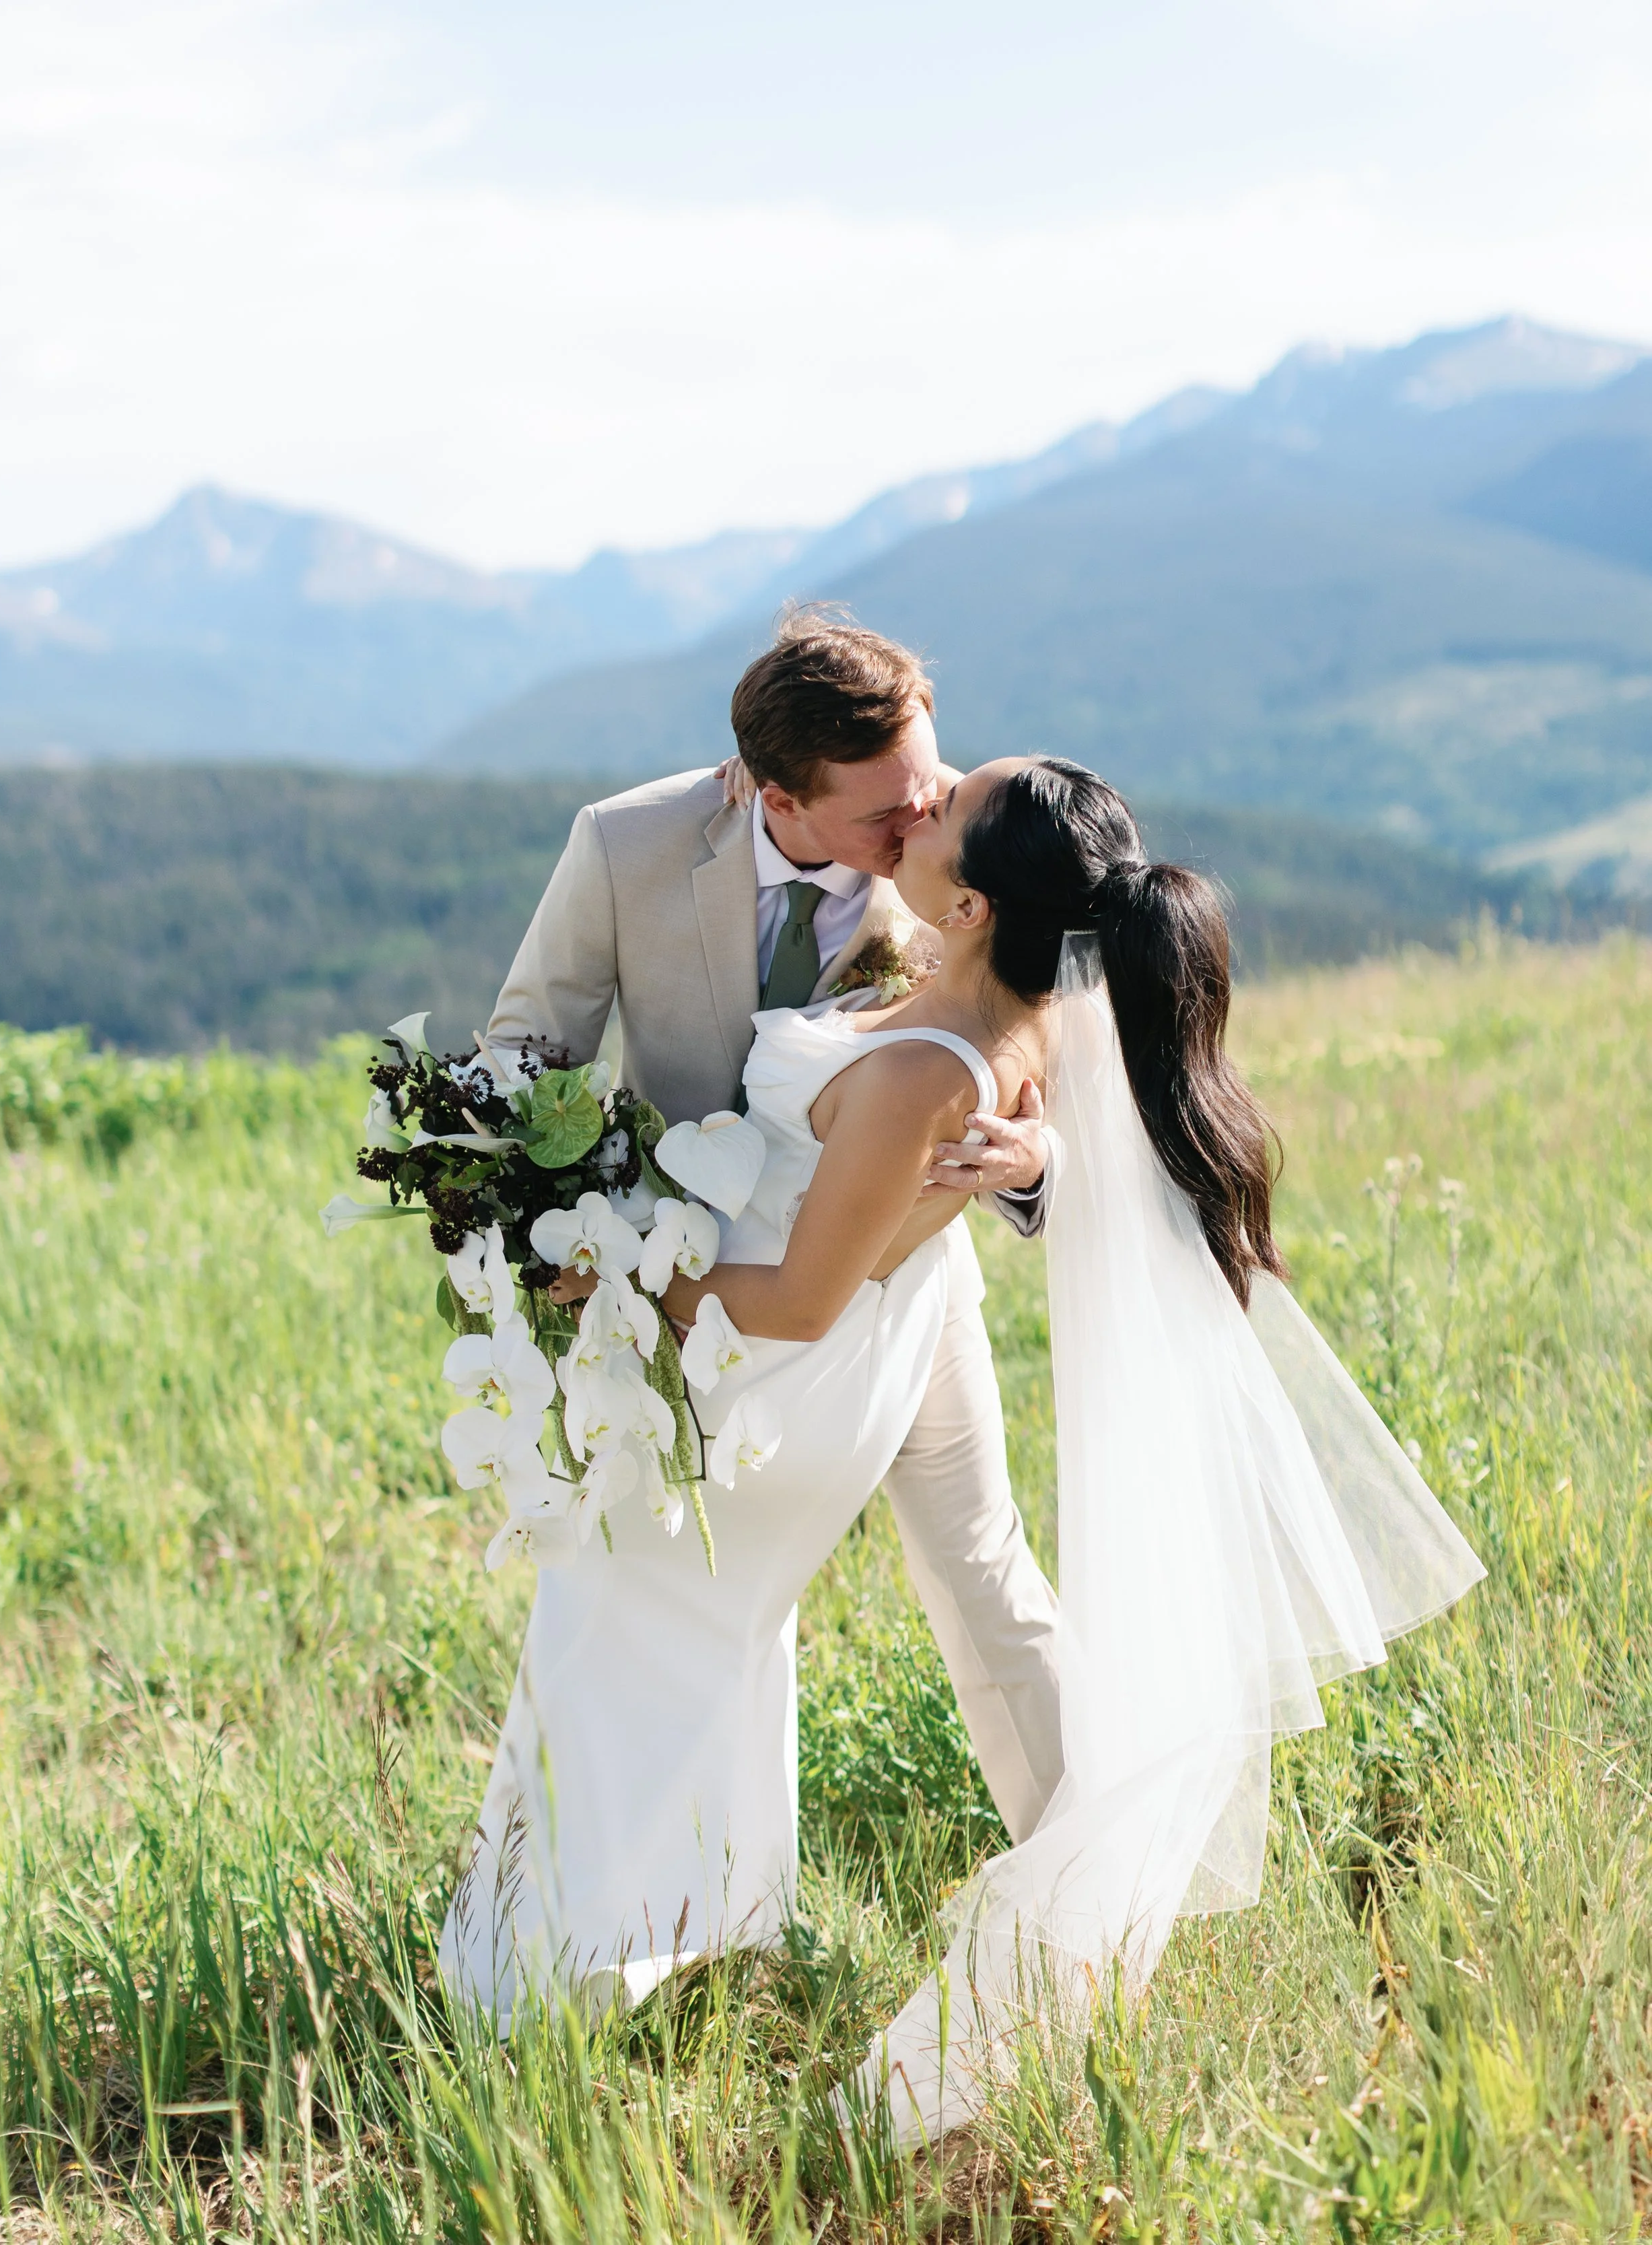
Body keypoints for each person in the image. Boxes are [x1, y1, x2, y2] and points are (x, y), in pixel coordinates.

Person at [440, 751, 1484, 2122]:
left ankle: (555, 1967)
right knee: (725, 1619)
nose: (921, 796)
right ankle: (673, 1924)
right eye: (919, 778)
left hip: (786, 1362)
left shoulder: (936, 1053)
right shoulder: (1009, 983)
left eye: (947, 794)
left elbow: (803, 1297)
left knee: (636, 1609)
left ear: (983, 904)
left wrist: (620, 1271)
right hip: (829, 1336)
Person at [474, 610, 1066, 1854]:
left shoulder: (950, 862)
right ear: (775, 793)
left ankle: (1094, 1863)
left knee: (984, 1573)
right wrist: (554, 1224)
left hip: (903, 1281)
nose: (923, 826)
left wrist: (1034, 1159)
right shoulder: (626, 845)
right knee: (681, 1596)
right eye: (886, 817)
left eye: (931, 789)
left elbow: (1044, 1031)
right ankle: (677, 1893)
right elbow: (528, 1041)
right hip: (709, 1293)